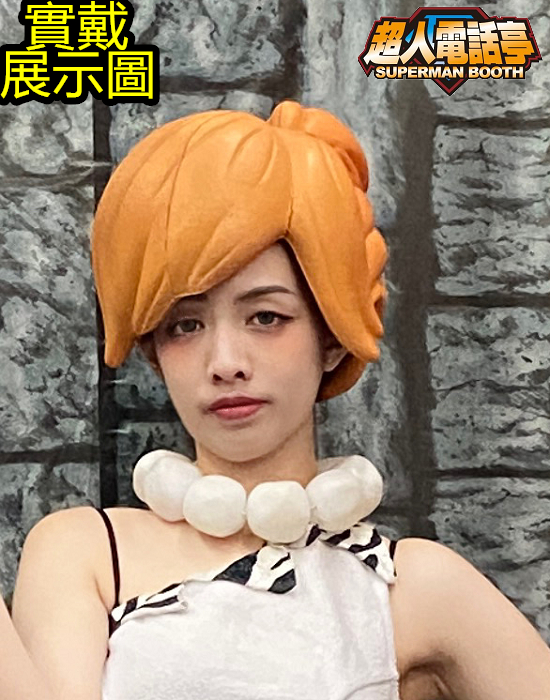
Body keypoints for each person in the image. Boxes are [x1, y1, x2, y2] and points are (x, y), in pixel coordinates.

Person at [2, 100, 550, 700]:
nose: (225, 362)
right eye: (185, 325)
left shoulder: (408, 586)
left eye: (266, 316)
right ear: (154, 349)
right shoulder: (83, 550)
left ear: (331, 336)